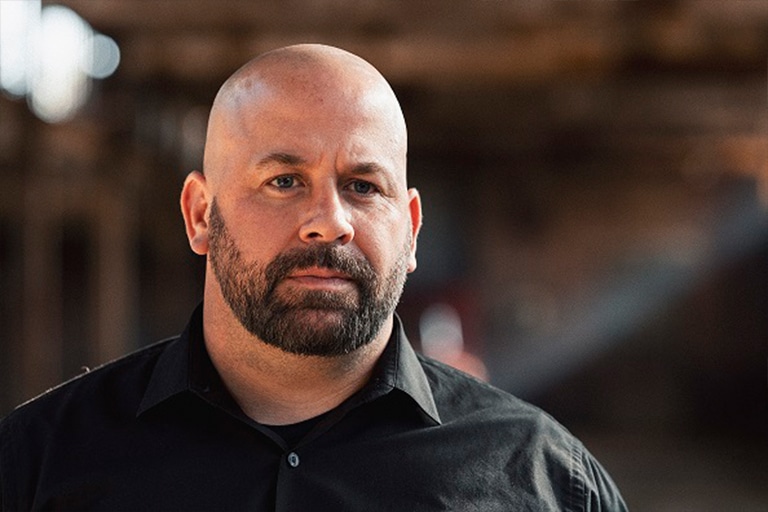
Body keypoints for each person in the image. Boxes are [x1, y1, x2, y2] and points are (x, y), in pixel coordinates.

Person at [0, 44, 627, 511]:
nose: (329, 223)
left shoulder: (545, 481)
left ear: (410, 229)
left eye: (362, 186)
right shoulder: (36, 465)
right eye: (283, 181)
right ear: (199, 215)